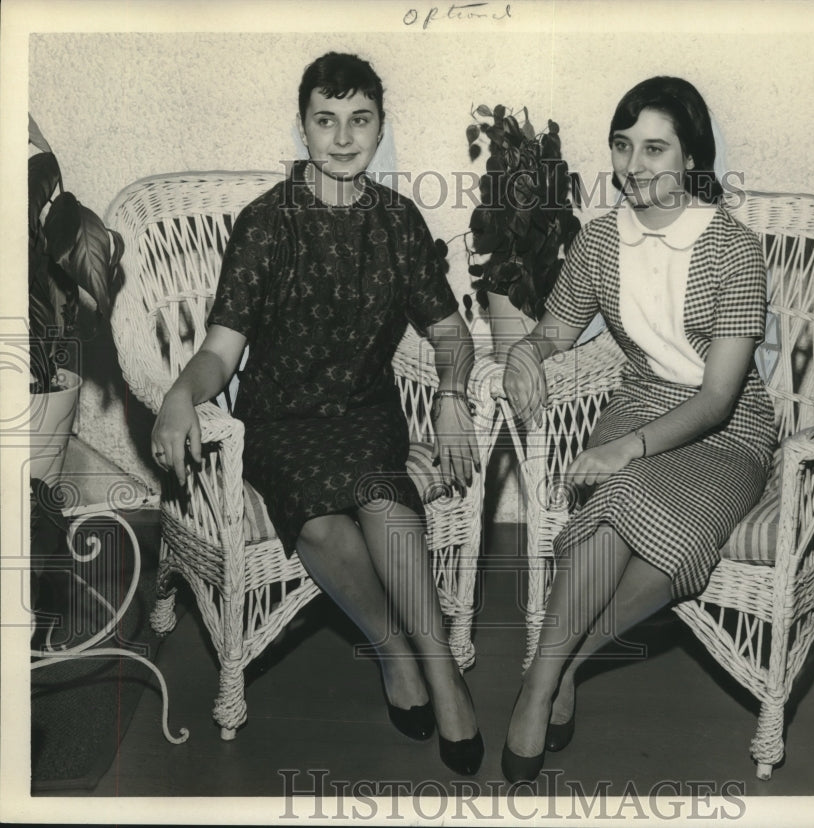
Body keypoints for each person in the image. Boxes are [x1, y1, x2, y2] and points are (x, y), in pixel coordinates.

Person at [151, 51, 483, 776]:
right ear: (303, 129)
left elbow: (451, 332)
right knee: (327, 523)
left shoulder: (398, 222)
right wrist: (181, 393)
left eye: (358, 120)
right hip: (280, 423)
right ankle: (397, 651)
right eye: (325, 120)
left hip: (365, 415)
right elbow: (219, 354)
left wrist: (452, 396)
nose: (341, 137)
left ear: (380, 129)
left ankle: (441, 672)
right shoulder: (267, 224)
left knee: (386, 501)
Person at [501, 76, 777, 782]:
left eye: (655, 148)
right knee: (618, 506)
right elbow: (555, 328)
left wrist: (626, 447)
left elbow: (718, 398)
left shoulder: (734, 248)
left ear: (691, 159)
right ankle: (546, 685)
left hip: (728, 430)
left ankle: (549, 674)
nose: (634, 165)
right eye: (624, 146)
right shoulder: (600, 242)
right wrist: (527, 354)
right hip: (640, 401)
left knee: (636, 504)